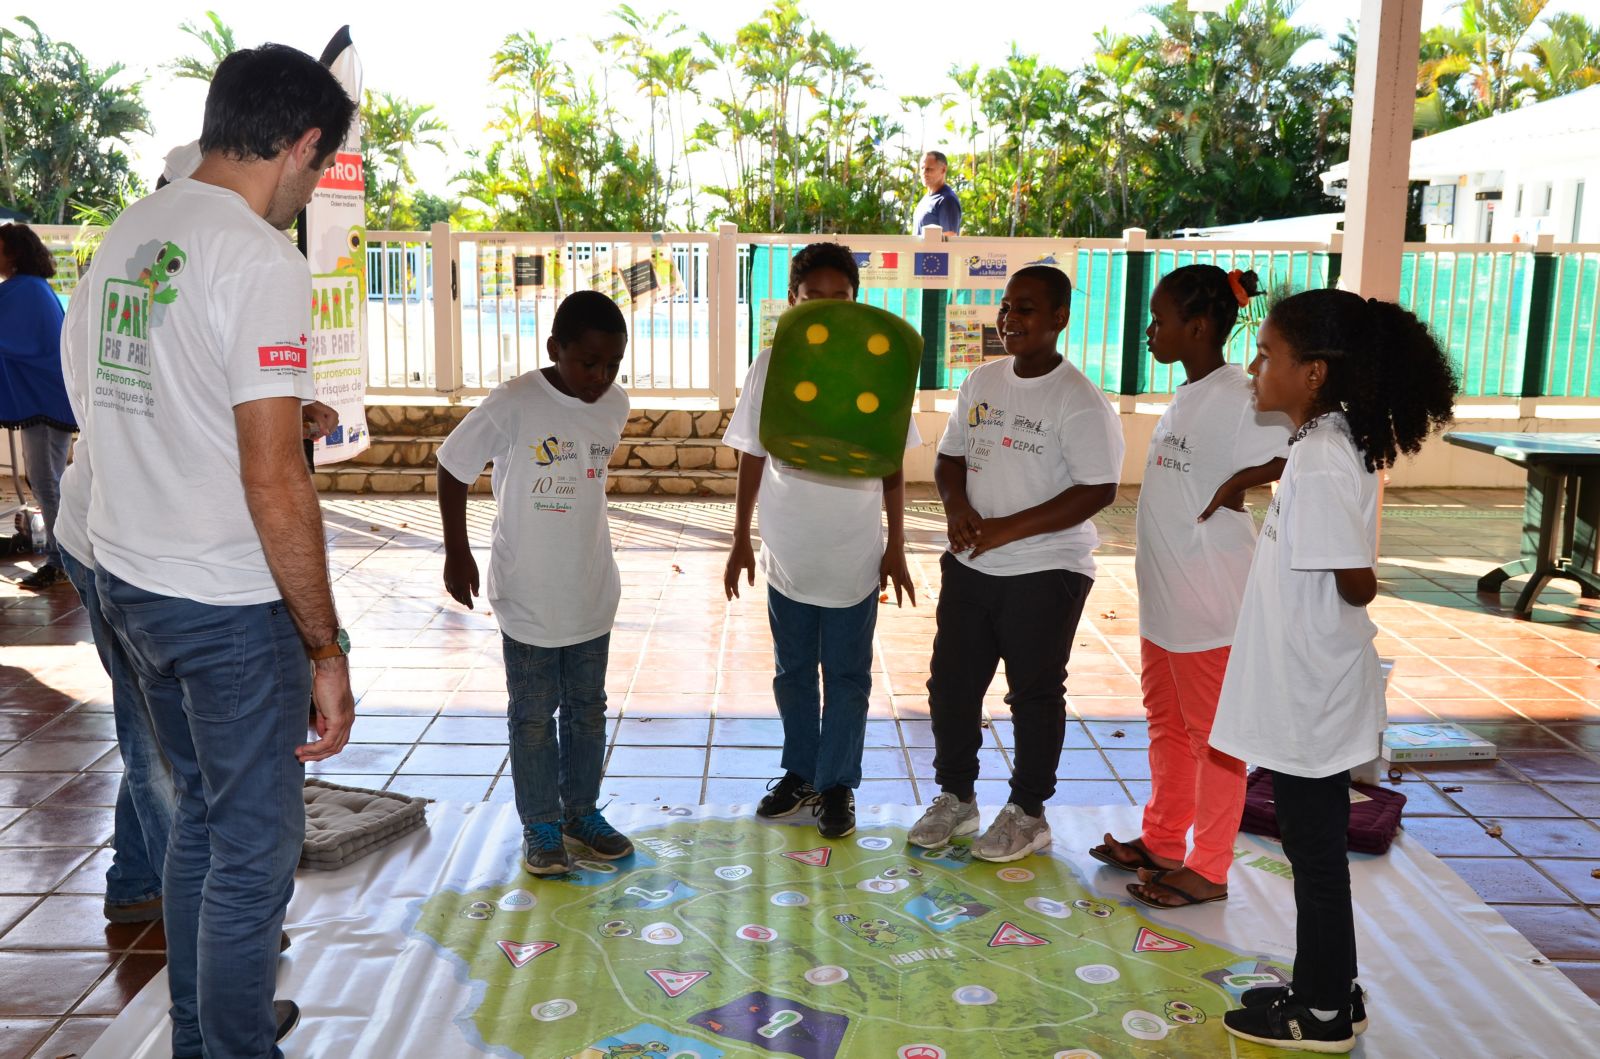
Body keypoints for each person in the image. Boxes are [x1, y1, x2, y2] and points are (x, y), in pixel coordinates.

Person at [64, 44, 357, 1059]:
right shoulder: (258, 254)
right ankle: (233, 1047)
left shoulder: (131, 231)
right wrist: (325, 647)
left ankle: (203, 1031)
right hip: (225, 606)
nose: (308, 191)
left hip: (129, 581)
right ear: (303, 144)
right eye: (318, 169)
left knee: (197, 823)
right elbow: (274, 483)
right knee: (254, 851)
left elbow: (105, 403)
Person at [1210, 289, 1455, 1052]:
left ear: (1313, 372)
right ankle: (1331, 987)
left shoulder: (1318, 458)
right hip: (1308, 685)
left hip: (1309, 693)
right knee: (1314, 855)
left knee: (1315, 858)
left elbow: (1356, 580)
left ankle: (1318, 1012)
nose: (1256, 367)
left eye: (1270, 355)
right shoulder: (1325, 440)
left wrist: (1347, 572)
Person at [1089, 266, 1290, 909]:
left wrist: (1241, 484)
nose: (1149, 330)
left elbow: (1304, 443)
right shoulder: (1191, 392)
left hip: (1211, 607)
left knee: (1214, 742)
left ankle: (1209, 868)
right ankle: (1163, 842)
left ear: (1198, 328)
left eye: (1159, 319)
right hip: (1167, 605)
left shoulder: (1238, 393)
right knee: (1168, 729)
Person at [909, 265, 1124, 862]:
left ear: (1060, 318)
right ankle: (956, 799)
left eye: (1026, 309)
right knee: (951, 685)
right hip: (973, 564)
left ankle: (1029, 812)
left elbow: (1096, 490)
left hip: (1048, 569)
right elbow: (951, 458)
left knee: (1032, 693)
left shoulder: (1078, 399)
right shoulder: (981, 380)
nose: (1010, 320)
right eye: (1005, 308)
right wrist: (956, 509)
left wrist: (1006, 530)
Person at [722, 242, 920, 839]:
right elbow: (752, 455)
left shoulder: (878, 369)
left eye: (841, 298)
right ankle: (801, 773)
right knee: (792, 671)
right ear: (792, 303)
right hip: (788, 547)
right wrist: (739, 538)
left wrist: (897, 545)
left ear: (856, 301)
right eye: (815, 299)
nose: (830, 310)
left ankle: (837, 786)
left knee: (849, 676)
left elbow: (891, 464)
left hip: (853, 551)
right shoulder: (770, 364)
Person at [437, 290, 633, 877]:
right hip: (526, 593)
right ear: (555, 349)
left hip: (591, 592)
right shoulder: (515, 402)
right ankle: (541, 825)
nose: (599, 378)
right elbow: (451, 464)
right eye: (587, 363)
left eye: (611, 366)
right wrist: (456, 552)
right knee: (531, 714)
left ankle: (580, 813)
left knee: (587, 711)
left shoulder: (614, 406)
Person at [54, 278, 177, 927]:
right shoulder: (142, 293)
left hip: (124, 535)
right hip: (111, 544)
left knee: (150, 723)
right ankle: (199, 917)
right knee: (154, 733)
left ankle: (135, 880)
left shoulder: (131, 281)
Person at [0, 223, 74, 589]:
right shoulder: (33, 289)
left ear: (13, 253)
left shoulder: (22, 291)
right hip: (48, 399)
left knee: (47, 483)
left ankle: (62, 563)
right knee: (46, 481)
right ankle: (64, 559)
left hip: (45, 400)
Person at [912, 151, 961, 236]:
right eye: (922, 168)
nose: (924, 172)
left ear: (943, 169)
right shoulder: (926, 199)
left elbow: (950, 237)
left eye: (929, 169)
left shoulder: (947, 200)